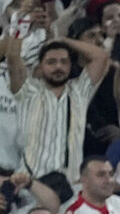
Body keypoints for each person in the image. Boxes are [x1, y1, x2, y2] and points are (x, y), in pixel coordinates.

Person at [10, 37, 111, 180]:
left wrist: (62, 40)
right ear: (40, 66)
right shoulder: (27, 91)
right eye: (51, 62)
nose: (58, 67)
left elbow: (101, 56)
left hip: (70, 185)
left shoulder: (79, 91)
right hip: (31, 184)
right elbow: (13, 56)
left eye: (64, 62)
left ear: (70, 66)